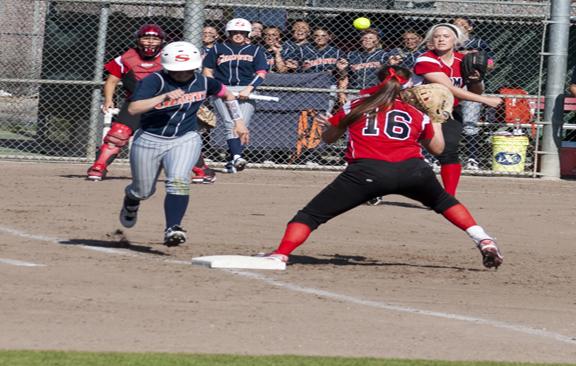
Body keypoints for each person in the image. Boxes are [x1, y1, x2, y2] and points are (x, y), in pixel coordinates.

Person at [258, 66, 503, 270]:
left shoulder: (356, 105)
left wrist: (330, 126)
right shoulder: (416, 112)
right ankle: (484, 239)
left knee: (310, 216)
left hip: (367, 173)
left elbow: (328, 139)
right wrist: (437, 119)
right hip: (414, 171)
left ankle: (280, 254)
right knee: (444, 203)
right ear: (408, 87)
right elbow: (438, 150)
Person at [119, 41, 249, 246]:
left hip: (185, 138)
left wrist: (239, 121)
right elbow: (134, 109)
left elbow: (227, 94)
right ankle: (132, 199)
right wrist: (162, 97)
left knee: (178, 180)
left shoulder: (204, 82)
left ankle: (173, 228)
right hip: (150, 140)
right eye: (176, 71)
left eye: (187, 70)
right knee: (143, 191)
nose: (181, 75)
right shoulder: (155, 81)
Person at [413, 23, 502, 196]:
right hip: (419, 111)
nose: (441, 39)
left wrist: (476, 80)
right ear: (431, 41)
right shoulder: (425, 59)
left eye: (446, 36)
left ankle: (449, 196)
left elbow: (475, 90)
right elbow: (448, 88)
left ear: (455, 40)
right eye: (437, 36)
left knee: (450, 151)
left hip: (448, 112)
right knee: (402, 151)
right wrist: (485, 100)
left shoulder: (464, 60)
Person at [86, 24, 165, 181]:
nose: (150, 42)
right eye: (146, 38)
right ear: (138, 40)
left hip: (163, 104)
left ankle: (200, 169)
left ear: (162, 42)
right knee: (117, 134)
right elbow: (111, 81)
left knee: (182, 136)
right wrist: (109, 100)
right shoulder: (126, 58)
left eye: (155, 39)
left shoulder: (169, 57)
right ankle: (99, 167)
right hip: (134, 104)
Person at [203, 18, 269, 174]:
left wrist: (249, 89)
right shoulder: (218, 48)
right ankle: (237, 157)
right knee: (229, 123)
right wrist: (217, 88)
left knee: (242, 125)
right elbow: (207, 70)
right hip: (223, 90)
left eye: (242, 32)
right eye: (234, 32)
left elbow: (261, 73)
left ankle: (232, 161)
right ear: (228, 32)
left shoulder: (255, 50)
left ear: (247, 34)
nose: (238, 35)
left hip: (246, 91)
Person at [453, 17, 496, 171]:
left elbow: (491, 64)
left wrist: (479, 63)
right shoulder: (448, 42)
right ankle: (441, 158)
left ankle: (473, 159)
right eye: (456, 24)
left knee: (470, 122)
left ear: (470, 28)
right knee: (444, 119)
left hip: (472, 83)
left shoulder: (478, 43)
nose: (459, 27)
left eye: (463, 25)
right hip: (451, 82)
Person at [337, 29, 388, 101]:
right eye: (365, 38)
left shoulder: (383, 55)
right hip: (354, 92)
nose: (367, 40)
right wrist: (341, 93)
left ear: (377, 41)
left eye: (371, 38)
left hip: (374, 92)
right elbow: (344, 77)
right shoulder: (352, 55)